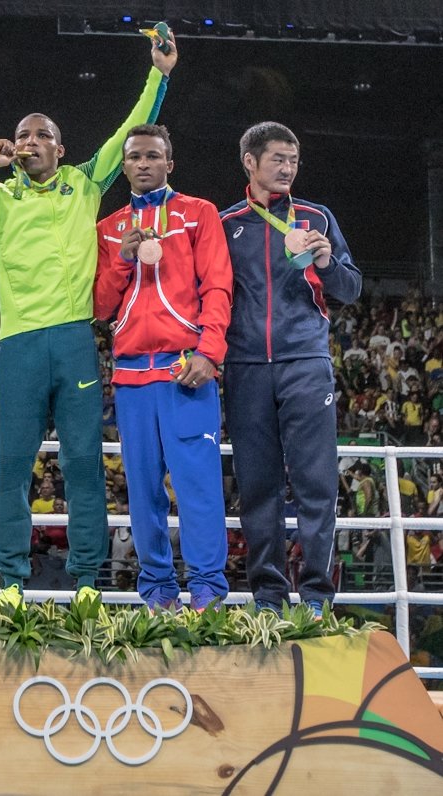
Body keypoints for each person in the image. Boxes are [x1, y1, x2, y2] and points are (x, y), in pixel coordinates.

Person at [0, 37, 178, 601]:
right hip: (17, 345)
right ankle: (10, 582)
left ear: (61, 150)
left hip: (72, 340)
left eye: (42, 135)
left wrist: (158, 76)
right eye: (22, 136)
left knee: (83, 462)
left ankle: (87, 580)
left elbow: (128, 131)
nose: (30, 142)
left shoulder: (86, 183)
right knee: (11, 466)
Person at [220, 121, 362, 617]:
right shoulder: (226, 225)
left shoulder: (317, 217)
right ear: (250, 162)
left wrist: (326, 262)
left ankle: (319, 598)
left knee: (315, 484)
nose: (287, 168)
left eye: (293, 160)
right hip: (245, 368)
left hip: (306, 363)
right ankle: (269, 597)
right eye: (277, 158)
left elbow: (349, 289)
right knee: (257, 487)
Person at [94, 124, 232, 612]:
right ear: (125, 166)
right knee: (143, 490)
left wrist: (209, 352)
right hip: (132, 376)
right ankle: (156, 592)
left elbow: (217, 287)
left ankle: (209, 592)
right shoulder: (109, 228)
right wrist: (123, 259)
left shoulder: (199, 215)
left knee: (197, 487)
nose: (144, 163)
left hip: (184, 371)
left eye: (153, 155)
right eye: (135, 157)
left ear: (169, 163)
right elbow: (102, 305)